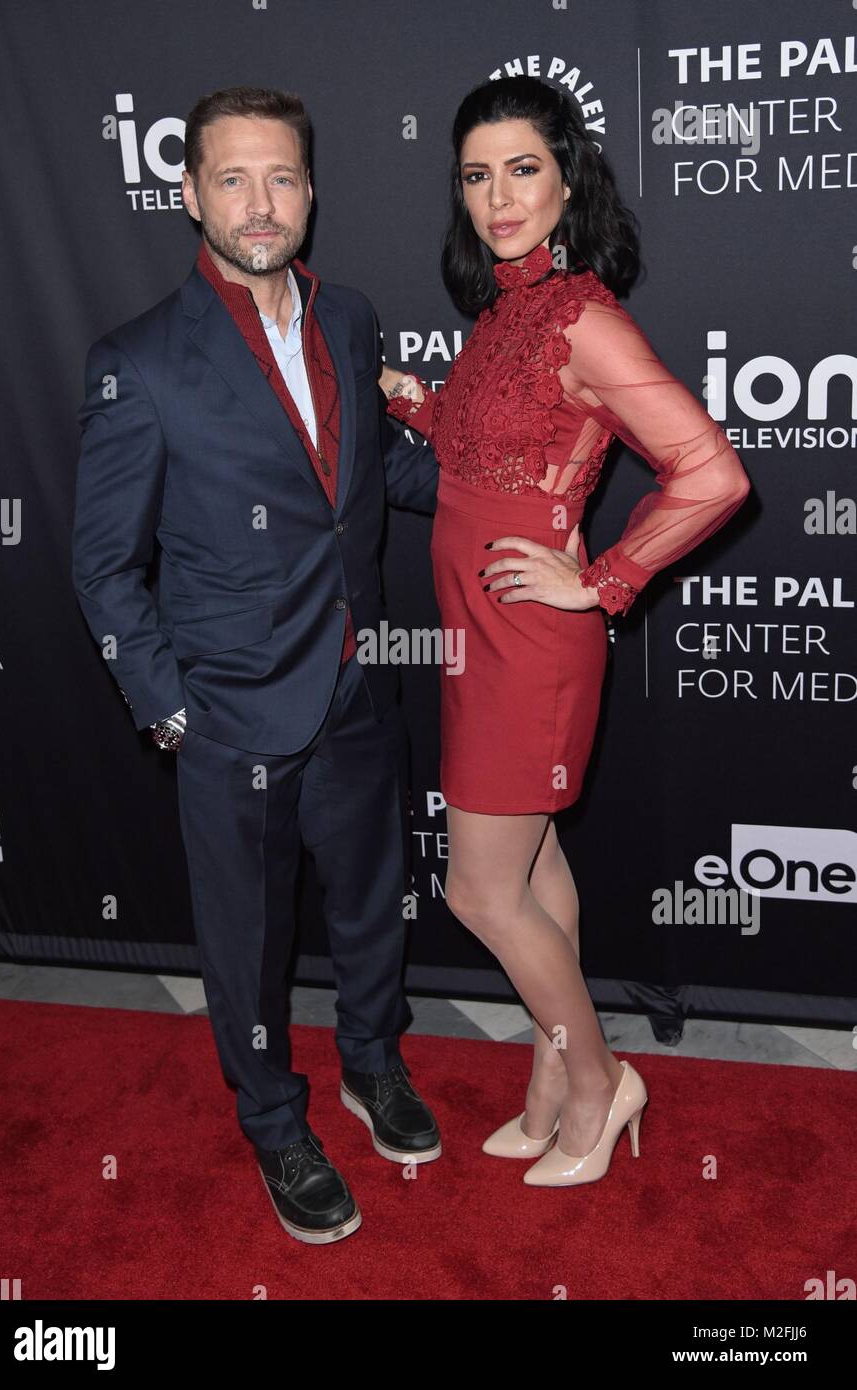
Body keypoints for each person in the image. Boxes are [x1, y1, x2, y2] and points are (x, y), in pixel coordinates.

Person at [72, 86, 442, 1245]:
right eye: (230, 179)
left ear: (312, 189)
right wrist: (171, 713)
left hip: (355, 679)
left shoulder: (350, 319)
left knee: (373, 906)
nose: (259, 203)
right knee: (248, 942)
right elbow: (101, 565)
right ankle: (274, 1118)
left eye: (279, 176)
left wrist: (505, 493)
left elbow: (364, 478)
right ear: (188, 194)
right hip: (229, 707)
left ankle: (371, 1063)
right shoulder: (141, 360)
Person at [380, 76, 751, 1188]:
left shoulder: (584, 315)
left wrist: (603, 577)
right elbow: (473, 436)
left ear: (569, 176)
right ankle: (551, 1082)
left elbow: (711, 470)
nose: (497, 196)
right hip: (475, 630)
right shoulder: (502, 310)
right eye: (476, 175)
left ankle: (598, 1081)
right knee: (534, 871)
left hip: (531, 644)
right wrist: (405, 393)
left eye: (521, 169)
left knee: (478, 889)